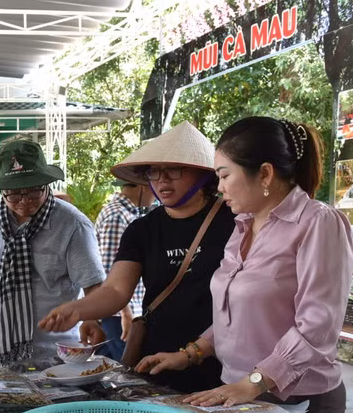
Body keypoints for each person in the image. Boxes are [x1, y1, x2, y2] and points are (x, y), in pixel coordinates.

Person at [136, 117, 353, 413]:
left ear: (265, 174)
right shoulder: (242, 226)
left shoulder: (318, 223)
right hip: (240, 395)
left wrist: (254, 382)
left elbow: (319, 324)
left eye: (224, 175)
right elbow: (232, 312)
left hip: (297, 402)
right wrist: (190, 354)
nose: (219, 188)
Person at [39, 122, 235, 393]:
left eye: (174, 170)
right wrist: (78, 309)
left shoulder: (236, 221)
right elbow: (117, 289)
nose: (162, 180)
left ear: (202, 174)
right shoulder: (142, 229)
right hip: (157, 361)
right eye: (154, 171)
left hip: (225, 363)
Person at [0, 138, 105, 364]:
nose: (25, 201)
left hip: (56, 353)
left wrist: (92, 318)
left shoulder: (72, 224)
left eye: (34, 191)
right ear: (1, 191)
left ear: (47, 184)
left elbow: (93, 282)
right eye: (14, 194)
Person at [93, 179, 155, 361]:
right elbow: (109, 269)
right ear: (143, 186)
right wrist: (125, 312)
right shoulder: (118, 216)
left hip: (121, 309)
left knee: (106, 368)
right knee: (128, 371)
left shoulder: (126, 213)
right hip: (118, 312)